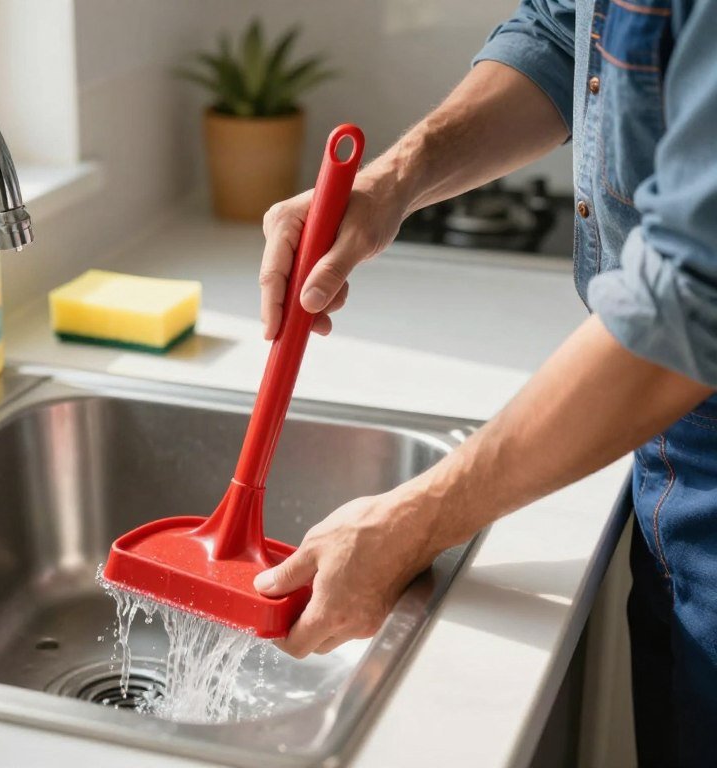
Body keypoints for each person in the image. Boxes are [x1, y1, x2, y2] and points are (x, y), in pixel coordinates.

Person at [251, 0, 717, 764]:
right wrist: (393, 181)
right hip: (670, 462)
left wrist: (411, 522)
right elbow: (567, 32)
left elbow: (691, 305)